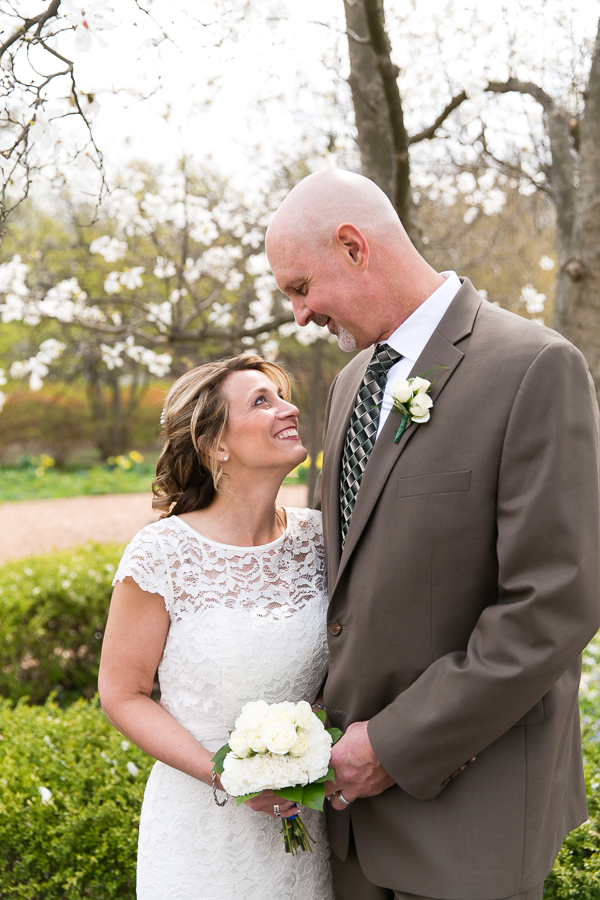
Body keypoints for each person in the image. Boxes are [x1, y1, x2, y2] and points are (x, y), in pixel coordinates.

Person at [265, 169, 600, 900]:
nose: (298, 315)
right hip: (352, 827)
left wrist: (392, 747)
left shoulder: (535, 366)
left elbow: (554, 607)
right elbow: (347, 592)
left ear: (354, 246)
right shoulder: (349, 385)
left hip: (469, 824)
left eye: (299, 286)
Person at [98, 355, 334, 900]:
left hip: (306, 822)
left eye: (281, 395)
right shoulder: (162, 554)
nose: (289, 408)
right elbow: (122, 694)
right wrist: (227, 775)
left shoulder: (319, 541)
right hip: (200, 832)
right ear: (215, 445)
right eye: (261, 401)